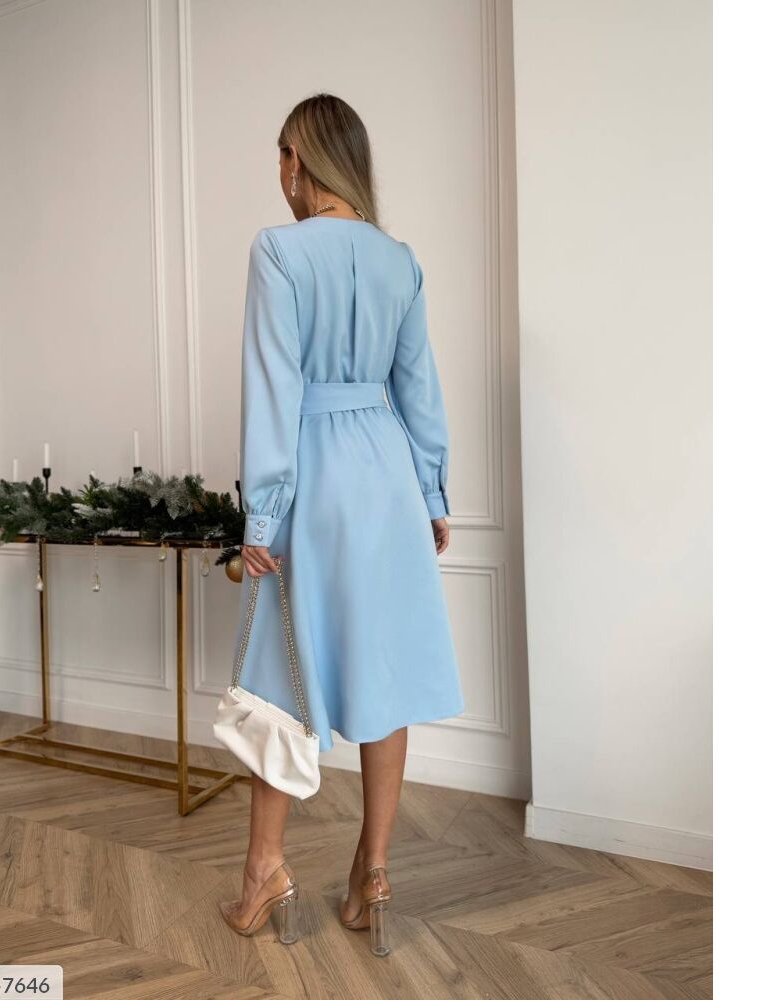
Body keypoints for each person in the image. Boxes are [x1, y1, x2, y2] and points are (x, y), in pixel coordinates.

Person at [217, 93, 464, 956]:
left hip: (314, 474)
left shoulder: (279, 250)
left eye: (281, 157)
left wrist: (263, 512)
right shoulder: (400, 260)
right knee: (381, 667)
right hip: (386, 475)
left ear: (300, 159)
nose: (279, 176)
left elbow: (273, 386)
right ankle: (372, 877)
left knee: (278, 672)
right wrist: (430, 494)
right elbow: (418, 387)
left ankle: (264, 873)